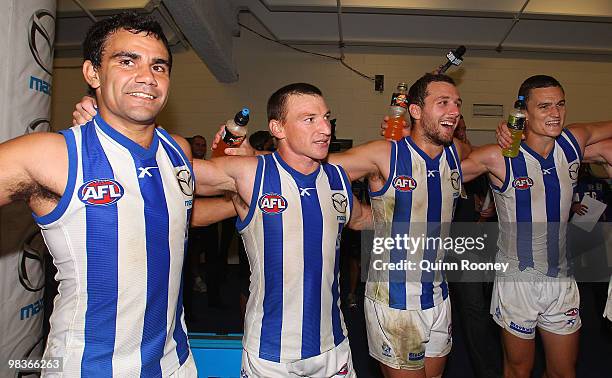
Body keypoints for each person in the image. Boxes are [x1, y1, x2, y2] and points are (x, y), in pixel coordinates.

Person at [0, 12, 236, 376]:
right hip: (87, 367)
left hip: (175, 363)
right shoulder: (52, 155)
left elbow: (178, 215)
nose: (147, 77)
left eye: (159, 67)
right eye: (127, 61)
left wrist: (237, 191)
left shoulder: (178, 150)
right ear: (93, 73)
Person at [469, 75, 612, 378]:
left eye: (560, 104)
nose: (555, 113)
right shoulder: (500, 157)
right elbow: (443, 162)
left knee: (564, 372)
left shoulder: (573, 142)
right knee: (519, 371)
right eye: (544, 106)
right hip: (518, 279)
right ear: (523, 112)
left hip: (561, 276)